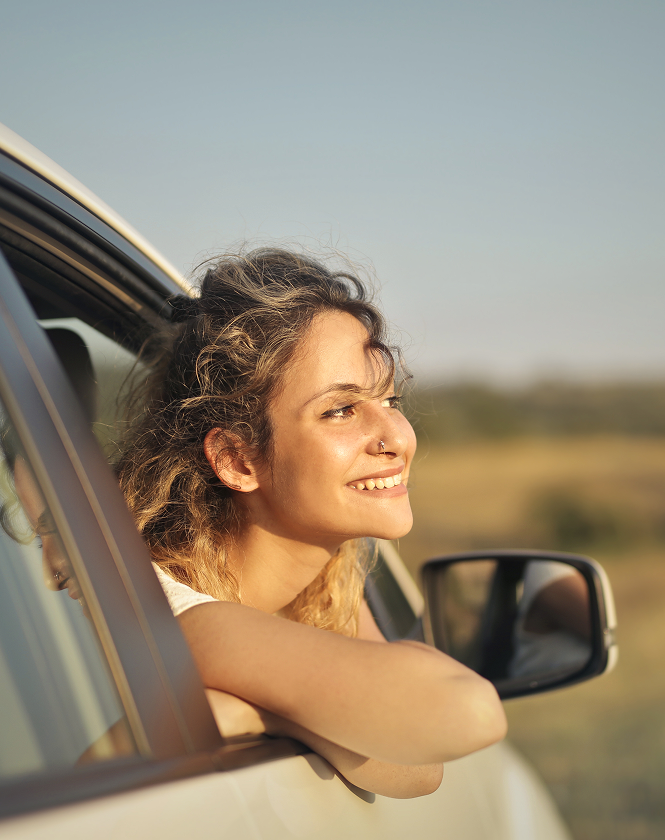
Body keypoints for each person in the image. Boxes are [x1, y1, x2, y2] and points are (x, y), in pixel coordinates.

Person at [115, 249, 507, 798]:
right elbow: (467, 710)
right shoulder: (187, 621)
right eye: (341, 410)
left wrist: (267, 713)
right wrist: (306, 713)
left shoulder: (327, 581)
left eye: (388, 399)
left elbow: (420, 768)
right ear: (237, 460)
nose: (398, 436)